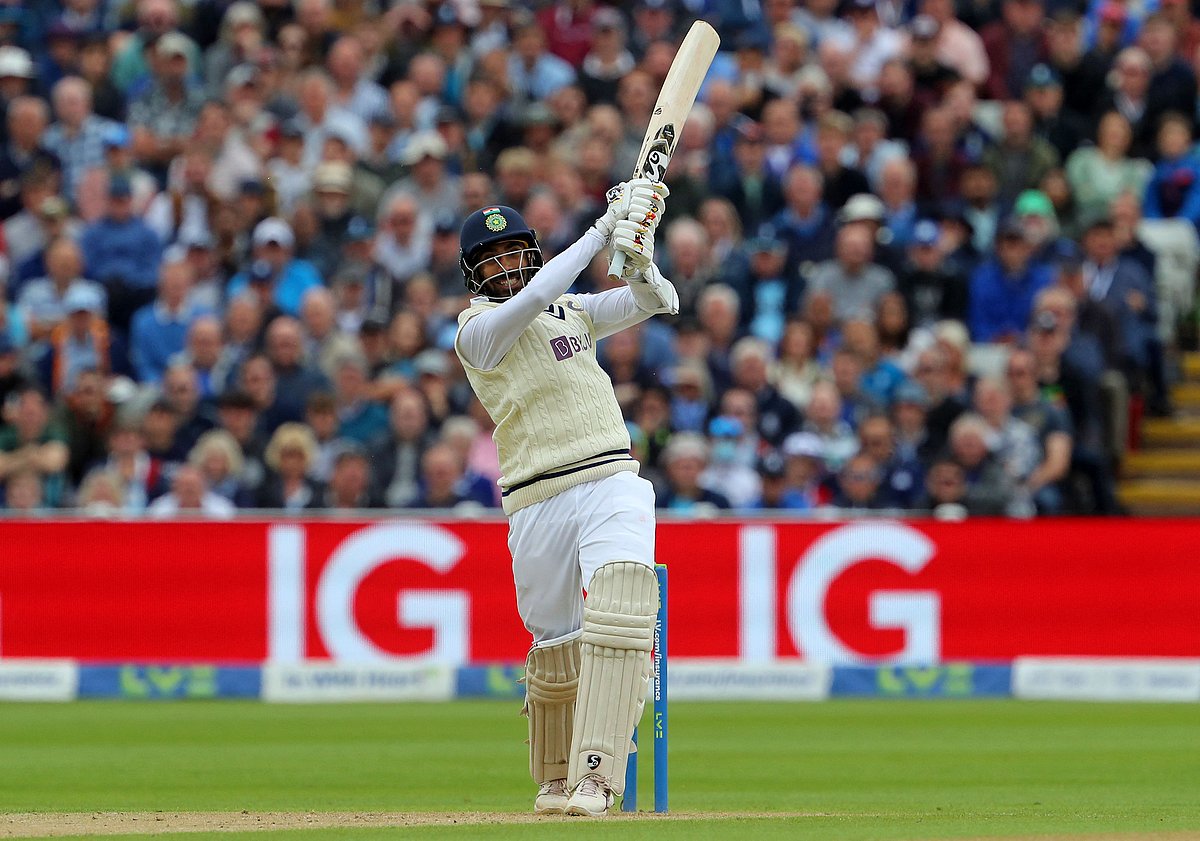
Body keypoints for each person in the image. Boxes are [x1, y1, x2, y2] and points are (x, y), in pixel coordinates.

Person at [452, 180, 674, 817]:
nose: (507, 266)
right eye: (491, 259)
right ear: (473, 274)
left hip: (609, 475)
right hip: (535, 496)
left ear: (529, 250)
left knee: (624, 604)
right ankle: (555, 778)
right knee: (555, 643)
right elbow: (541, 291)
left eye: (514, 252)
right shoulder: (477, 333)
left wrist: (639, 256)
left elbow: (657, 302)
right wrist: (601, 232)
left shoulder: (571, 311)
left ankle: (598, 776)